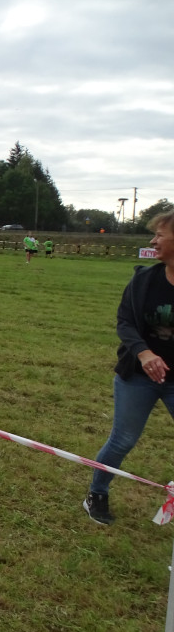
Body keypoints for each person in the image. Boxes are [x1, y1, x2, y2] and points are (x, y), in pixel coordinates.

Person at [83, 210, 174, 525]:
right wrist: (144, 353)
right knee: (122, 440)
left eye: (160, 235)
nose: (153, 240)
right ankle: (97, 493)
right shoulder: (144, 280)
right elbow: (125, 322)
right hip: (138, 376)